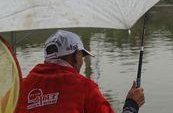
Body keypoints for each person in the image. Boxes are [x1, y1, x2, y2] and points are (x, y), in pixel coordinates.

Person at [17, 30, 145, 113]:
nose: (82, 61)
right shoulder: (84, 88)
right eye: (81, 55)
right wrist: (131, 105)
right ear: (74, 55)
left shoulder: (18, 89)